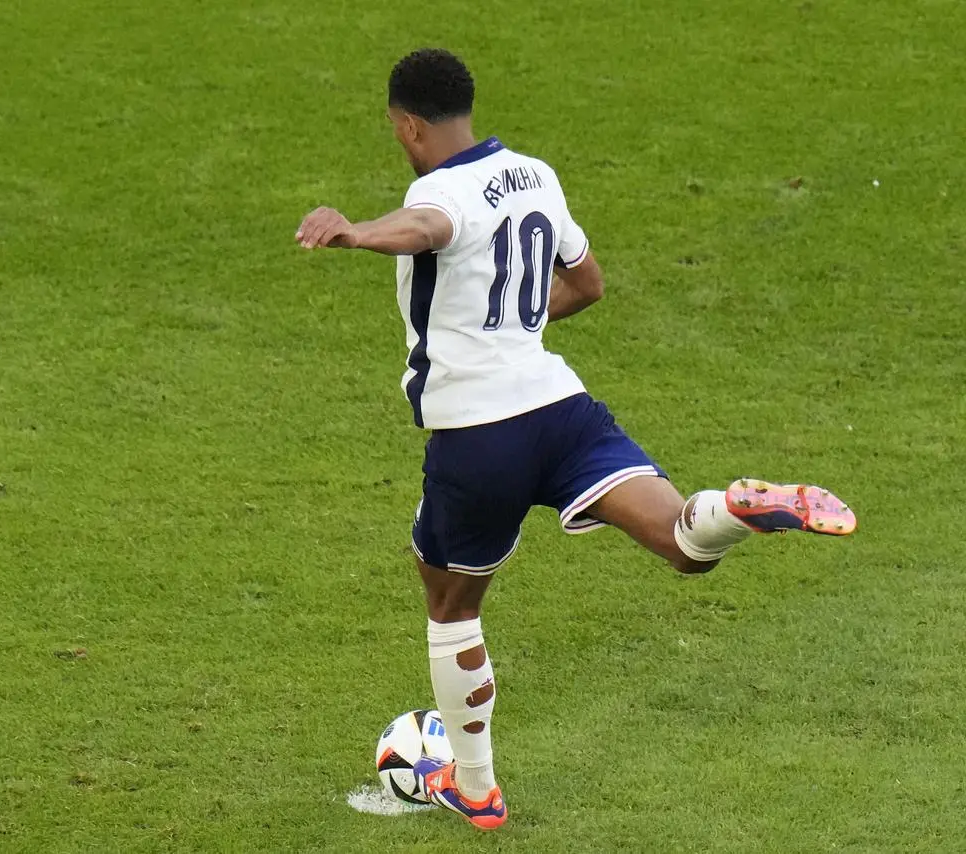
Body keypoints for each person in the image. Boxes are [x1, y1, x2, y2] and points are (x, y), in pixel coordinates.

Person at [295, 48, 856, 831]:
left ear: (410, 124)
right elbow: (587, 283)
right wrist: (511, 323)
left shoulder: (437, 189)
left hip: (477, 434)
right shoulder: (536, 175)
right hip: (561, 406)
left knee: (450, 597)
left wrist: (356, 232)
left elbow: (429, 226)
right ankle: (733, 504)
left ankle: (478, 787)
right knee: (682, 546)